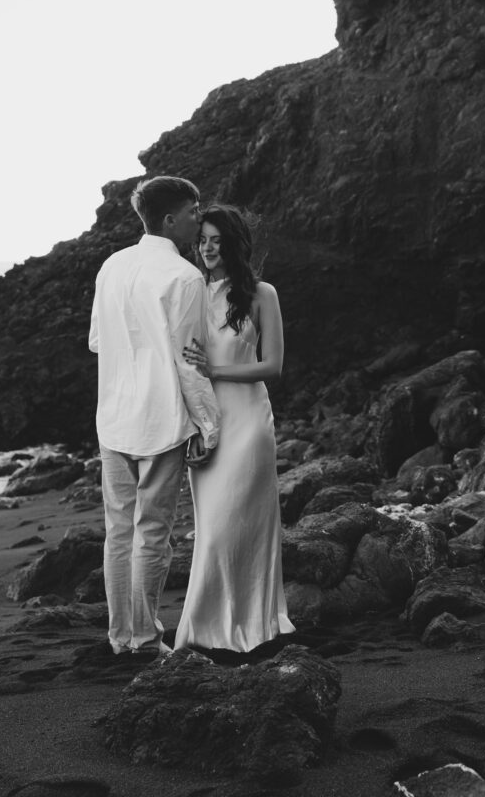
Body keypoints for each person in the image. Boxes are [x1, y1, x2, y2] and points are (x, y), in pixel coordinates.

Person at [88, 175, 220, 659]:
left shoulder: (112, 265)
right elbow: (190, 361)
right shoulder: (184, 277)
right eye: (193, 211)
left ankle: (120, 636)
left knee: (118, 531)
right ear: (169, 219)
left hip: (114, 416)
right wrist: (209, 423)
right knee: (152, 534)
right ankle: (144, 640)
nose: (199, 218)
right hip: (160, 418)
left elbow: (98, 341)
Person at [174, 203, 295, 654]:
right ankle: (205, 630)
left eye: (216, 239)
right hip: (207, 423)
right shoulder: (190, 292)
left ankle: (255, 625)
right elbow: (181, 370)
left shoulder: (262, 293)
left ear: (232, 243)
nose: (207, 248)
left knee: (242, 525)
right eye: (201, 239)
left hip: (249, 423)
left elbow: (274, 365)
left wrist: (217, 370)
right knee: (214, 529)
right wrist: (191, 429)